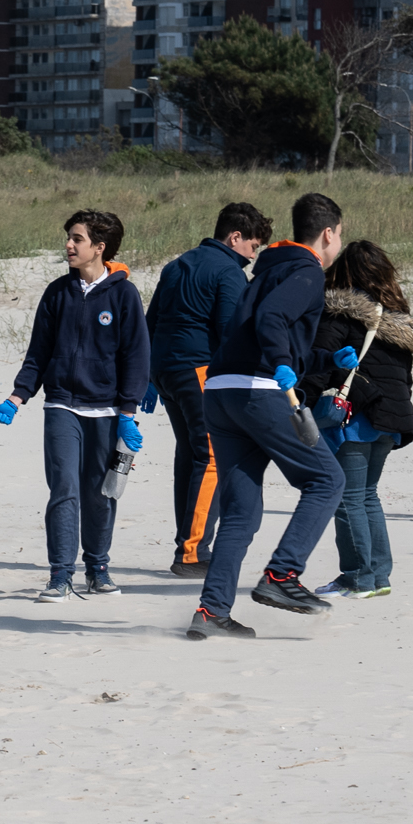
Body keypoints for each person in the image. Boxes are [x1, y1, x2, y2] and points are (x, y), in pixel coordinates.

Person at [186, 192, 348, 638]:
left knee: (241, 509)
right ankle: (282, 576)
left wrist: (327, 361)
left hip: (220, 390)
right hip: (256, 391)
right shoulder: (308, 271)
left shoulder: (269, 270)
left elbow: (265, 331)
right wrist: (280, 362)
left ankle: (211, 611)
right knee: (327, 479)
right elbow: (273, 321)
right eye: (340, 235)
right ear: (328, 233)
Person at [0, 209, 151, 601]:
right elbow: (38, 353)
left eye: (77, 239)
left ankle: (98, 567)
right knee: (63, 488)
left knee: (103, 492)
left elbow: (137, 356)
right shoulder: (57, 292)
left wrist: (128, 413)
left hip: (110, 411)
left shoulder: (124, 294)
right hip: (61, 405)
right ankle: (60, 574)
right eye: (69, 237)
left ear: (100, 247)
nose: (68, 245)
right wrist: (17, 396)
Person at [144, 202, 269, 576]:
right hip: (197, 367)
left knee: (191, 455)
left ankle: (187, 543)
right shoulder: (228, 273)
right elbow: (232, 331)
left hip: (164, 370)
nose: (252, 255)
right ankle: (192, 552)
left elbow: (151, 322)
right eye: (252, 246)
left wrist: (147, 377)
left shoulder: (176, 264)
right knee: (211, 458)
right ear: (235, 237)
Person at [315, 239, 413, 601]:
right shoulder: (398, 316)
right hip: (391, 416)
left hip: (355, 415)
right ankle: (378, 575)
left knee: (348, 498)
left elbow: (321, 358)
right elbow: (404, 374)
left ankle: (358, 577)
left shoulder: (340, 311)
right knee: (367, 496)